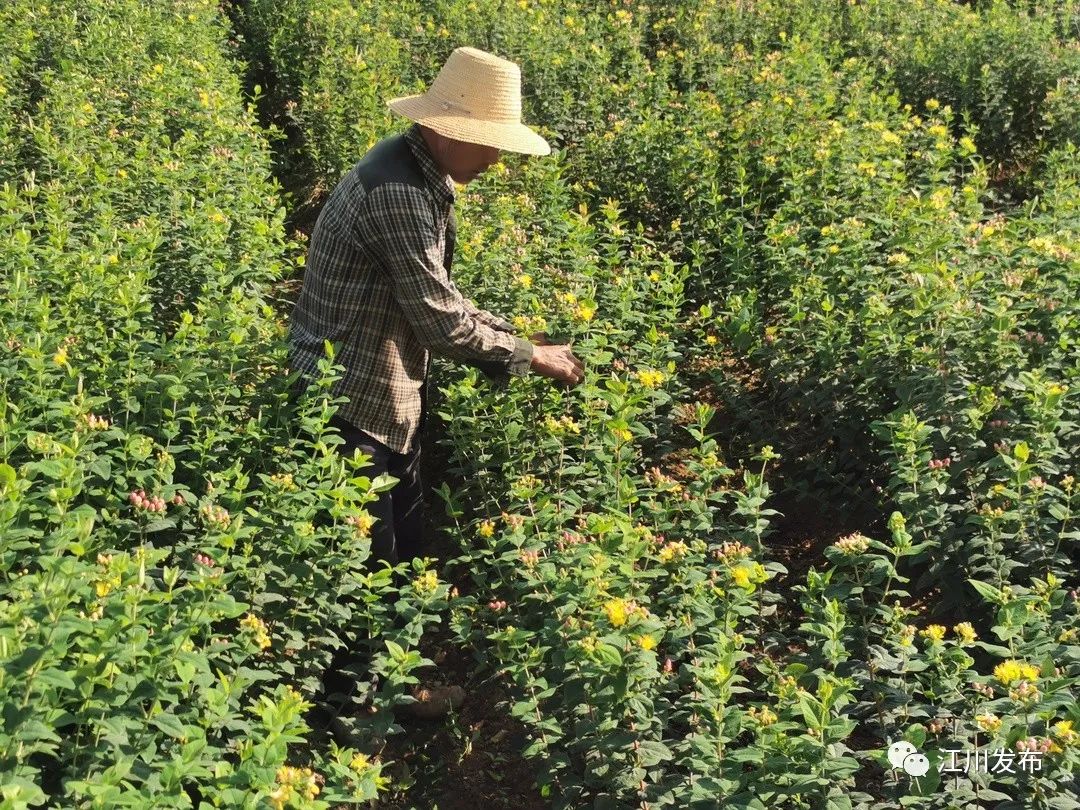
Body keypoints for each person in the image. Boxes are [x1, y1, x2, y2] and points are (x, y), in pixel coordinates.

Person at [286, 47, 584, 727]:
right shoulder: (397, 191)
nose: (497, 162)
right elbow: (441, 321)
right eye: (490, 146)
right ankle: (347, 720)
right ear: (451, 131)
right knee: (369, 565)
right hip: (348, 400)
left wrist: (520, 339)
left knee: (404, 549)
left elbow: (438, 298)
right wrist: (528, 356)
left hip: (380, 387)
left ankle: (392, 687)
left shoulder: (415, 172)